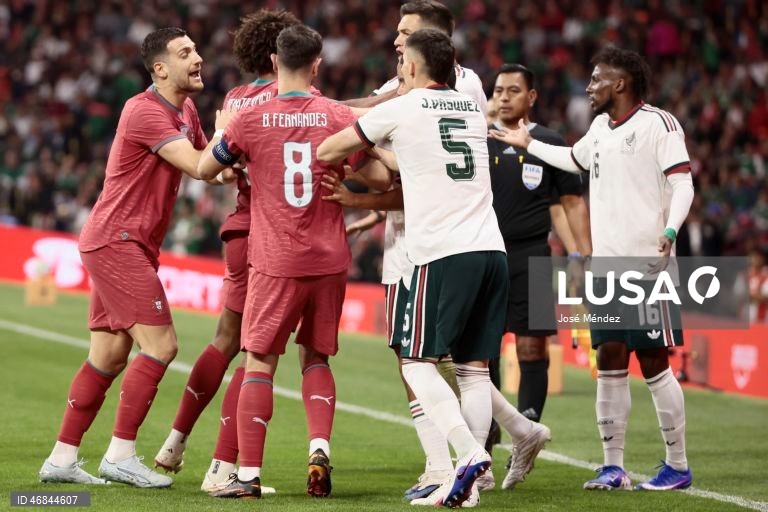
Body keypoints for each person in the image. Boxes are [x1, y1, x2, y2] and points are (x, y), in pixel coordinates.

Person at [319, 28, 533, 508]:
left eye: (401, 64)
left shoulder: (404, 106)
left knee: (415, 362)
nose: (398, 71)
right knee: (474, 371)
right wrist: (381, 151)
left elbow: (328, 150)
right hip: (491, 250)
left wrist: (356, 142)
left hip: (442, 252)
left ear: (413, 68)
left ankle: (468, 455)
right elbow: (422, 157)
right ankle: (471, 485)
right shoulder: (470, 110)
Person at [490, 46, 695, 491]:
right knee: (609, 360)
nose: (589, 87)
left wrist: (672, 231)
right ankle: (613, 467)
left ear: (620, 84)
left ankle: (677, 465)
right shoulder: (600, 127)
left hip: (647, 264)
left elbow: (683, 184)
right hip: (606, 266)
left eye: (597, 79)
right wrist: (528, 143)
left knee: (655, 362)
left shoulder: (659, 125)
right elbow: (573, 160)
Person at [38, 27, 228, 488]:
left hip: (128, 242)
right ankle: (120, 454)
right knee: (161, 346)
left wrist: (243, 158)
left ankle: (61, 459)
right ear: (160, 69)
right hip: (118, 240)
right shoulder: (143, 110)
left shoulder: (184, 108)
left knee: (107, 354)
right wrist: (231, 132)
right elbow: (201, 163)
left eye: (197, 49)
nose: (198, 57)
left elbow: (211, 170)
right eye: (186, 53)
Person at [197, 24, 367, 500]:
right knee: (316, 357)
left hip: (276, 260)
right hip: (330, 258)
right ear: (317, 64)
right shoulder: (336, 115)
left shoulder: (250, 119)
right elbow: (374, 169)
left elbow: (207, 167)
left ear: (273, 62)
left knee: (259, 362)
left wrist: (222, 128)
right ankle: (318, 449)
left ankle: (247, 475)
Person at [153, 9, 302, 495]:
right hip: (276, 235)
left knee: (225, 339)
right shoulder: (292, 99)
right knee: (258, 354)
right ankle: (222, 466)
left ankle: (175, 440)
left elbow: (215, 170)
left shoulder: (236, 98)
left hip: (238, 229)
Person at [486, 63, 591, 489]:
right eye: (499, 90)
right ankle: (482, 447)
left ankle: (524, 442)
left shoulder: (549, 143)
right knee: (481, 355)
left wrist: (582, 254)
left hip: (533, 255)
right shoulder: (476, 139)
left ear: (531, 97)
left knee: (532, 349)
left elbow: (569, 203)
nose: (505, 96)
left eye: (514, 90)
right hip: (484, 254)